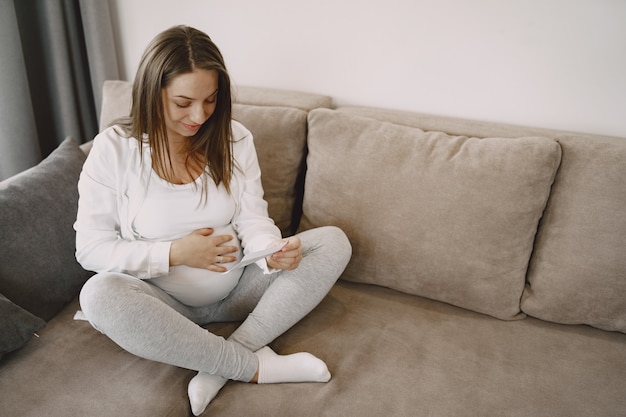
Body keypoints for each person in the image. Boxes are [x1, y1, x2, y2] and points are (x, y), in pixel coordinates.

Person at [74, 25, 351, 416]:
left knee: (332, 242)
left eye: (210, 100)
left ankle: (221, 362)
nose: (199, 115)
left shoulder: (234, 139)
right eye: (183, 102)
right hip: (165, 304)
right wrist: (175, 253)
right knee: (98, 294)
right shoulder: (114, 150)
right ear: (152, 93)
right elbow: (90, 248)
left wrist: (269, 252)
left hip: (240, 287)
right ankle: (252, 367)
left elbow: (254, 218)